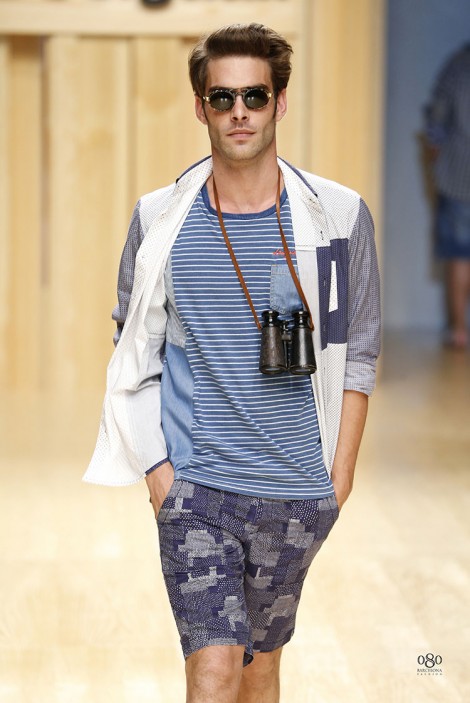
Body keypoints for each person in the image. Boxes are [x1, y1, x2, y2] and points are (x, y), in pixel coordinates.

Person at [84, 23, 380, 703]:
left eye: (255, 95)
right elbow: (133, 352)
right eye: (222, 97)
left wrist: (338, 479)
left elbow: (355, 346)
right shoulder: (159, 221)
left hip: (296, 491)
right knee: (214, 669)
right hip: (197, 491)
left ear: (280, 101)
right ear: (201, 107)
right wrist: (160, 476)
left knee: (258, 669)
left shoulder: (335, 219)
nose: (239, 111)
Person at [424, 42, 470, 349]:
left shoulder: (458, 66)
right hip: (457, 175)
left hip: (457, 173)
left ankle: (459, 329)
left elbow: (437, 116)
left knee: (459, 253)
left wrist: (433, 152)